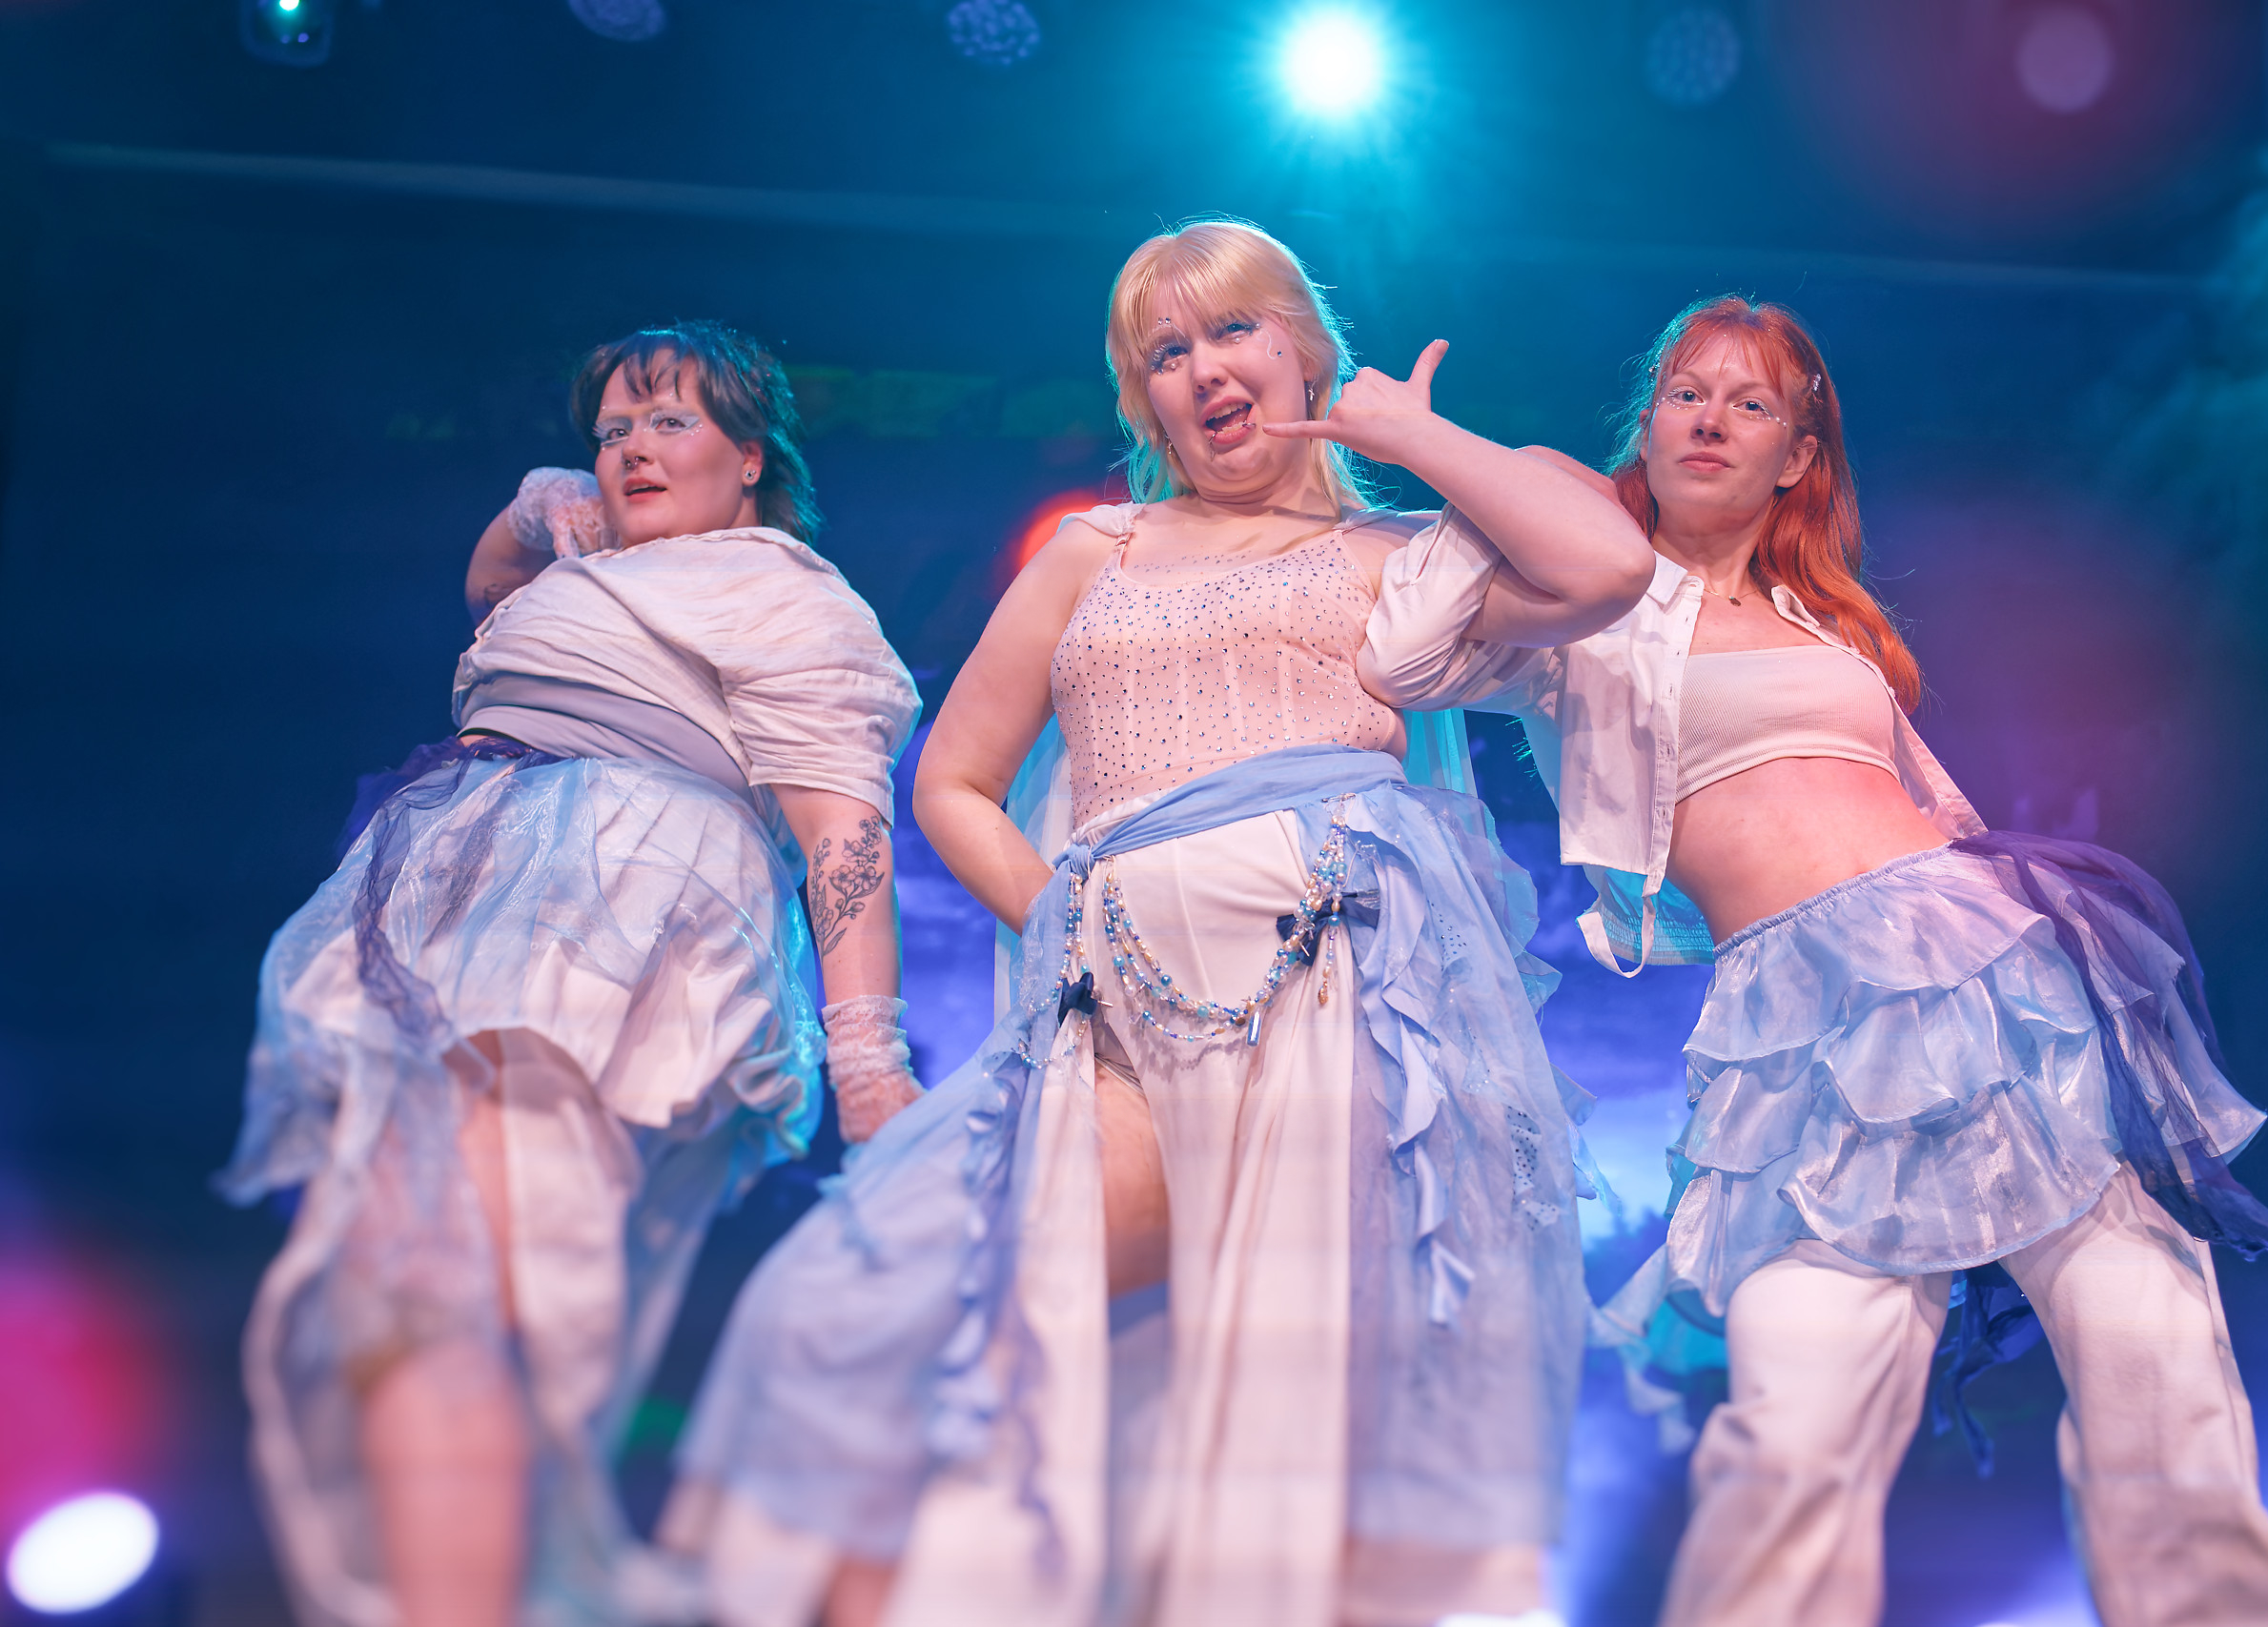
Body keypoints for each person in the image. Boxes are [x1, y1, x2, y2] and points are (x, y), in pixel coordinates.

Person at [652, 218, 1655, 1627]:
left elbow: (1609, 567)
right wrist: (1064, 932)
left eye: (1235, 329)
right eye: (1166, 352)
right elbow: (951, 783)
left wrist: (1410, 435)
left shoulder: (1396, 558)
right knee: (892, 1301)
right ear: (1146, 398)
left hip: (1330, 1014)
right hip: (1114, 1021)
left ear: (1306, 347)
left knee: (1279, 1402)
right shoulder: (1093, 550)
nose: (1205, 369)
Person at [1363, 295, 2268, 1627]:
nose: (1710, 420)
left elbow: (1932, 811)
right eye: (1684, 393)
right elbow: (1405, 658)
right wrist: (1427, 444)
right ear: (1645, 427)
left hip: (1982, 983)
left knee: (2156, 1359)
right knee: (1796, 1422)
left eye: (1751, 403)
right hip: (1796, 1032)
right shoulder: (1584, 600)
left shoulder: (1825, 625)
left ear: (1798, 458)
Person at [219, 321, 924, 1627]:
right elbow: (491, 586)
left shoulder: (787, 591)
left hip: (609, 893)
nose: (631, 449)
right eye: (611, 430)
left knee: (457, 1278)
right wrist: (533, 507)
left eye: (670, 420)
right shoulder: (590, 569)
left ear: (751, 456)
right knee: (387, 1282)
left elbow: (844, 833)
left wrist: (869, 1057)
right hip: (449, 878)